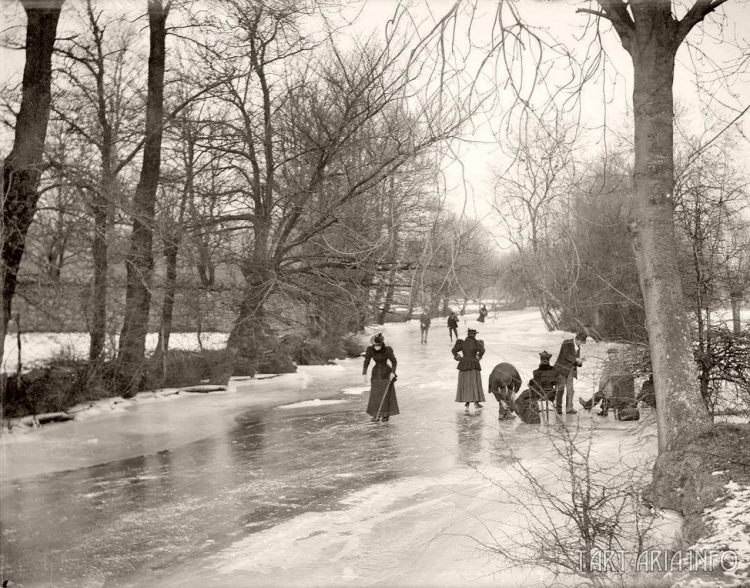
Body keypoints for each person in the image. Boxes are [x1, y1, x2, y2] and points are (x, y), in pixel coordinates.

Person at [579, 348, 634, 417]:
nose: (609, 356)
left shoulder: (609, 365)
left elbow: (603, 380)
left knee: (601, 393)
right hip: (623, 393)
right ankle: (603, 411)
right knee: (607, 390)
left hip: (613, 394)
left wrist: (600, 389)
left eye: (609, 355)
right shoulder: (624, 364)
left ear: (611, 356)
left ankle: (587, 406)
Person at [362, 333, 398, 422]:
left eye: (378, 346)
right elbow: (366, 361)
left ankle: (385, 414)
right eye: (375, 346)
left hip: (386, 373)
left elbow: (394, 361)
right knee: (375, 394)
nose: (377, 347)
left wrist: (393, 372)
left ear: (382, 344)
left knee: (386, 394)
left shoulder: (387, 350)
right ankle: (376, 414)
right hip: (376, 373)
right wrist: (364, 373)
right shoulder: (370, 350)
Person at [553, 330, 587, 415]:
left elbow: (576, 361)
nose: (581, 344)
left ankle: (569, 408)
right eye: (581, 342)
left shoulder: (578, 348)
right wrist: (576, 359)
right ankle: (558, 408)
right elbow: (565, 355)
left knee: (570, 390)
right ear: (577, 339)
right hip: (561, 369)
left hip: (571, 371)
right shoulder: (566, 342)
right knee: (560, 389)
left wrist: (579, 362)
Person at [452, 328, 486, 410]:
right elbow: (483, 349)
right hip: (474, 364)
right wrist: (479, 356)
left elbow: (453, 350)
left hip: (463, 364)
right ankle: (476, 403)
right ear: (474, 335)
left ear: (468, 334)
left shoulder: (462, 343)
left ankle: (467, 403)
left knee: (466, 383)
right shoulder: (476, 343)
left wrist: (458, 357)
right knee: (475, 382)